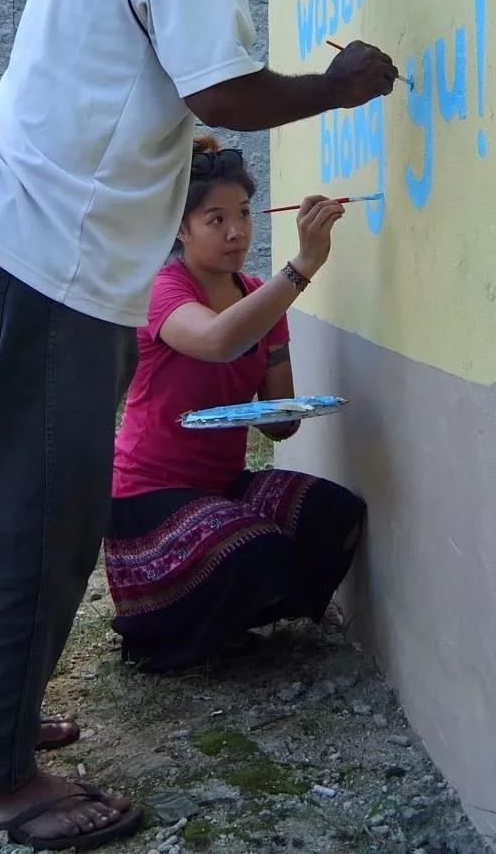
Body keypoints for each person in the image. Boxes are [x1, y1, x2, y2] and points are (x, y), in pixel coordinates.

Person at [0, 0, 399, 849]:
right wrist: (337, 85)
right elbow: (222, 92)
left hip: (2, 247)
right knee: (38, 522)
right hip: (46, 264)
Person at [105, 137, 365, 672]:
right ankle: (159, 634)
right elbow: (218, 340)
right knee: (254, 549)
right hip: (146, 495)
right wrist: (302, 267)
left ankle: (231, 621)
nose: (236, 232)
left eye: (244, 214)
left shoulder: (257, 295)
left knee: (336, 514)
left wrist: (295, 411)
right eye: (215, 219)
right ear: (180, 228)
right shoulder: (163, 290)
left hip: (220, 485)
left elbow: (278, 428)